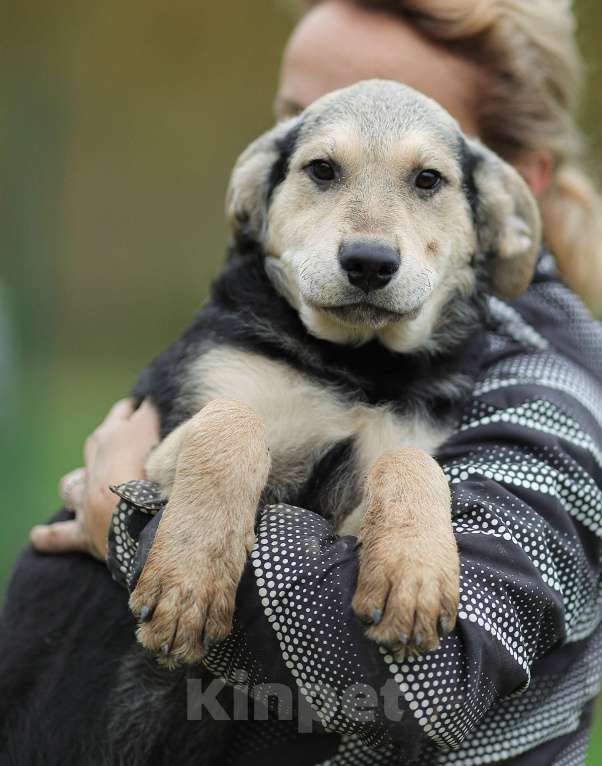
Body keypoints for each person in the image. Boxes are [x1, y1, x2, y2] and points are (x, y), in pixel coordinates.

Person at [3, 1, 602, 764]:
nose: (368, 232)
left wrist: (125, 513)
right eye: (321, 163)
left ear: (506, 202)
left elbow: (429, 682)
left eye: (424, 177)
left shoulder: (552, 402)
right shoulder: (250, 328)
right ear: (262, 192)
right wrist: (215, 455)